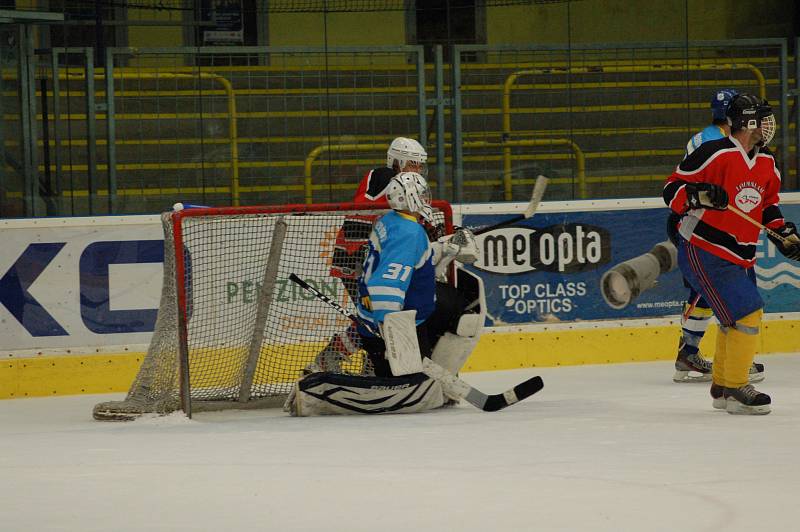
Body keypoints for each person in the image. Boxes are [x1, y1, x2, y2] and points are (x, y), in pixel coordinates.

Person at [663, 93, 800, 414]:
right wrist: (696, 195)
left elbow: (767, 204)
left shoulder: (767, 161)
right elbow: (671, 189)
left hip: (742, 252)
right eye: (763, 119)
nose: (768, 126)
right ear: (746, 122)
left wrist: (783, 232)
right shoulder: (713, 153)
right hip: (704, 247)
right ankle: (737, 386)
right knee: (747, 312)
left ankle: (724, 386)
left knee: (735, 317)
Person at [669, 89, 765, 384]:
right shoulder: (721, 145)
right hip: (704, 224)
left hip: (699, 219)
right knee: (716, 292)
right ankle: (694, 352)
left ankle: (702, 354)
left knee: (711, 292)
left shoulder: (705, 136)